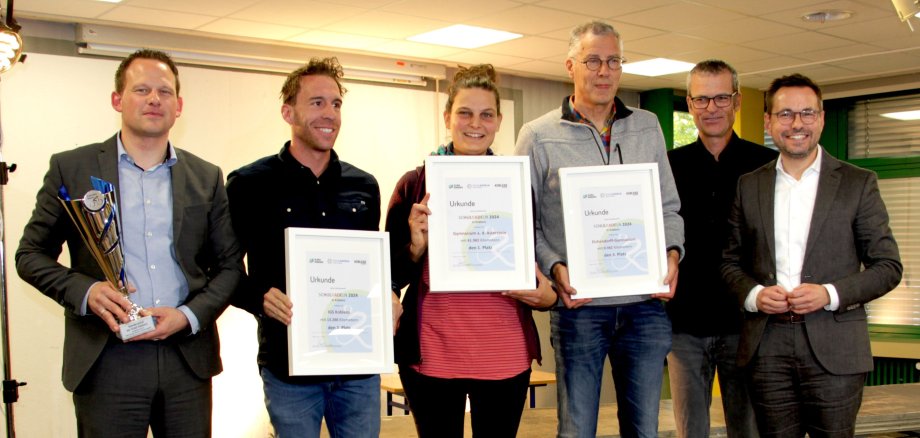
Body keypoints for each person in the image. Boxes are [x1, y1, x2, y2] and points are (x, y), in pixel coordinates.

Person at [16, 49, 243, 437]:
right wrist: (86, 291)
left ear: (179, 105)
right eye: (141, 89)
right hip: (107, 357)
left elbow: (229, 268)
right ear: (117, 100)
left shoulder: (206, 177)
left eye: (164, 92)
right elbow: (30, 255)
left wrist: (187, 316)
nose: (154, 99)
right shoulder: (72, 169)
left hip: (185, 357)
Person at [514, 21, 684, 438]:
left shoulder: (647, 126)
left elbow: (668, 207)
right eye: (593, 60)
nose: (604, 70)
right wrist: (555, 268)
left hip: (644, 307)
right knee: (577, 430)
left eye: (613, 61)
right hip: (578, 308)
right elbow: (523, 222)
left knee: (644, 430)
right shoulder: (538, 135)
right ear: (571, 65)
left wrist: (672, 255)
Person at [721, 73, 902, 438]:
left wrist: (829, 293)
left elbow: (887, 266)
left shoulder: (857, 182)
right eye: (785, 114)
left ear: (820, 118)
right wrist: (755, 296)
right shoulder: (749, 184)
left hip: (836, 348)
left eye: (807, 113)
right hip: (767, 347)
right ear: (768, 121)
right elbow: (729, 263)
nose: (797, 123)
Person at [385, 64, 556, 438]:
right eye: (464, 112)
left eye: (486, 114)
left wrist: (548, 294)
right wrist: (415, 248)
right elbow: (389, 277)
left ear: (498, 121)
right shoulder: (415, 184)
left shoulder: (516, 184)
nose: (474, 123)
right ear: (447, 117)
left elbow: (538, 262)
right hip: (433, 352)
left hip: (504, 352)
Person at [226, 57, 385, 438]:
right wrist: (260, 298)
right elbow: (223, 269)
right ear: (288, 111)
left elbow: (370, 270)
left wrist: (388, 295)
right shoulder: (249, 184)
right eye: (316, 103)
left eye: (336, 104)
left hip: (357, 366)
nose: (328, 113)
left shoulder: (364, 186)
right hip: (288, 367)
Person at [666, 60, 776, 438]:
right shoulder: (668, 166)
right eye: (701, 99)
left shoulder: (766, 166)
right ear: (690, 103)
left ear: (737, 101)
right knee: (690, 430)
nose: (711, 108)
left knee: (747, 429)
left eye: (720, 98)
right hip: (684, 325)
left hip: (745, 323)